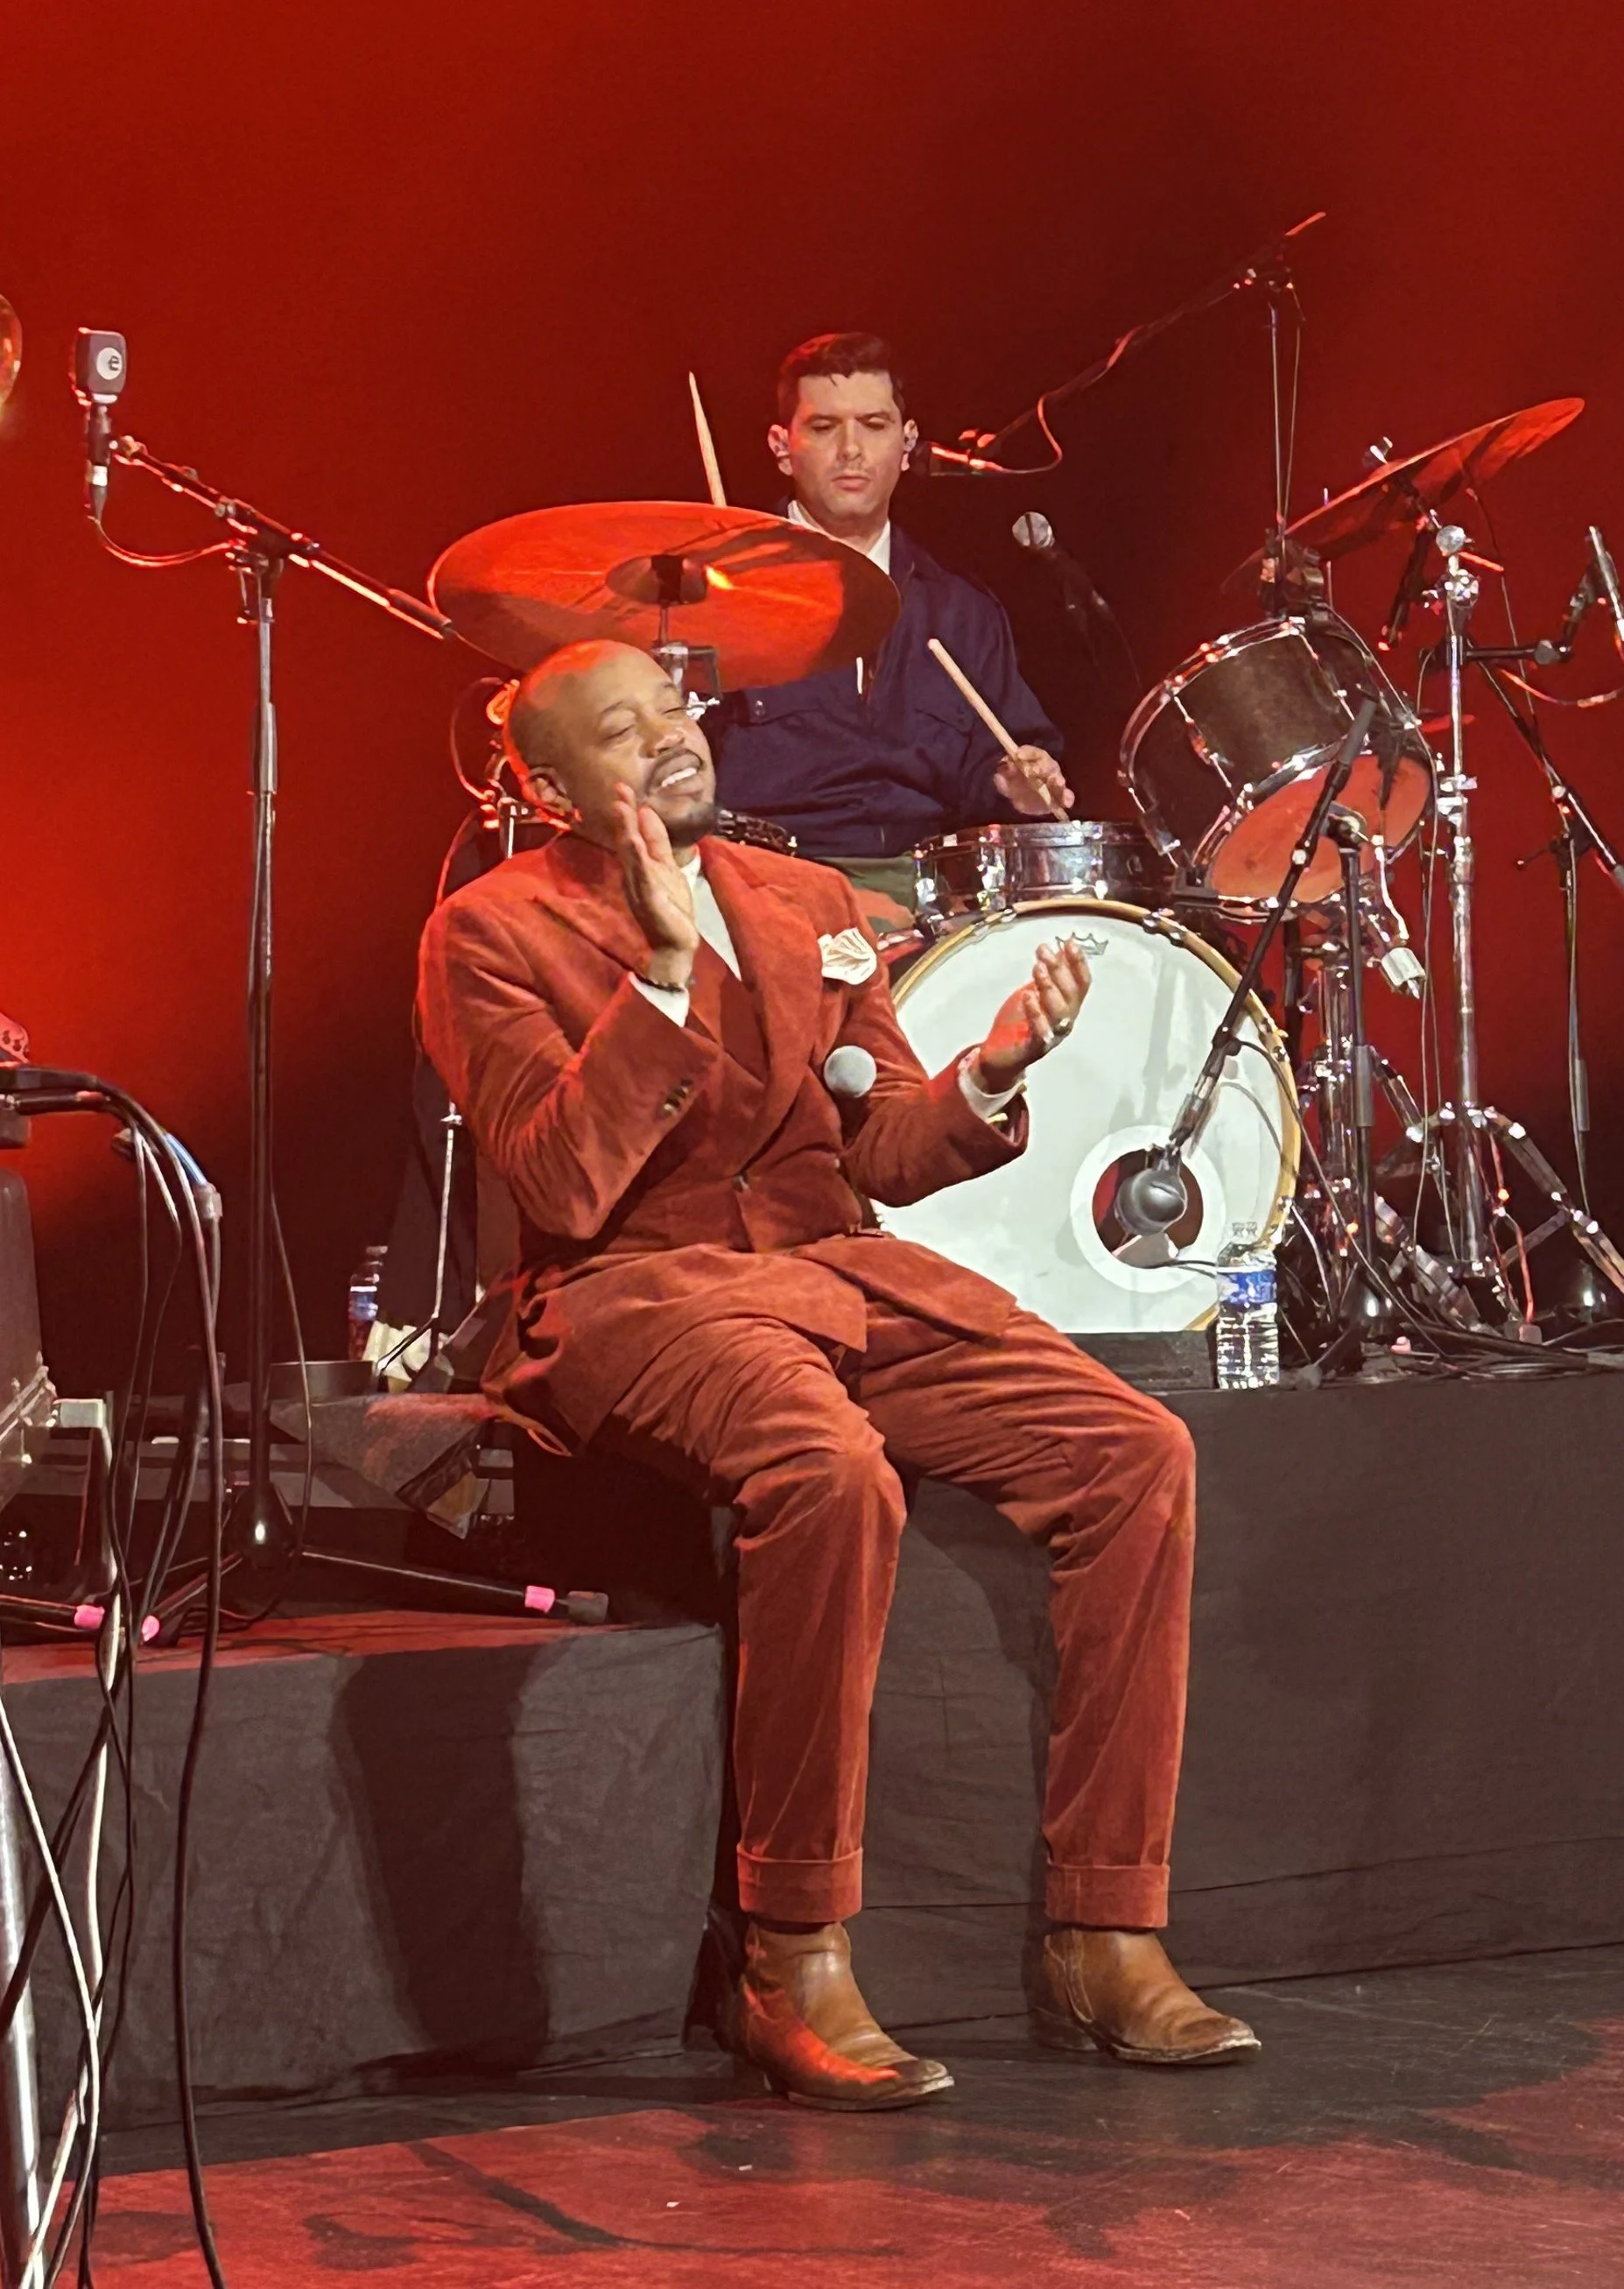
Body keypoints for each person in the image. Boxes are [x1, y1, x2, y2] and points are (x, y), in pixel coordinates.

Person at [417, 637, 1258, 2110]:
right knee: (823, 1466)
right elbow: (555, 1181)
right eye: (621, 733)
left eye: (672, 708)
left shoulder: (806, 900)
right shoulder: (488, 931)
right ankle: (788, 1947)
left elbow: (882, 1148)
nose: (670, 738)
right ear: (549, 790)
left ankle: (1105, 1928)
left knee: (1134, 1450)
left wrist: (989, 1072)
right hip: (636, 1292)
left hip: (833, 1269)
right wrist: (664, 977)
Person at [716, 331, 1074, 936]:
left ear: (907, 444)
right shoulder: (719, 596)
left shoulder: (962, 610)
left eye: (874, 425)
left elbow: (1003, 761)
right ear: (783, 446)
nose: (851, 450)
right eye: (825, 428)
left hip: (924, 906)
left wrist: (1017, 784)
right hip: (760, 896)